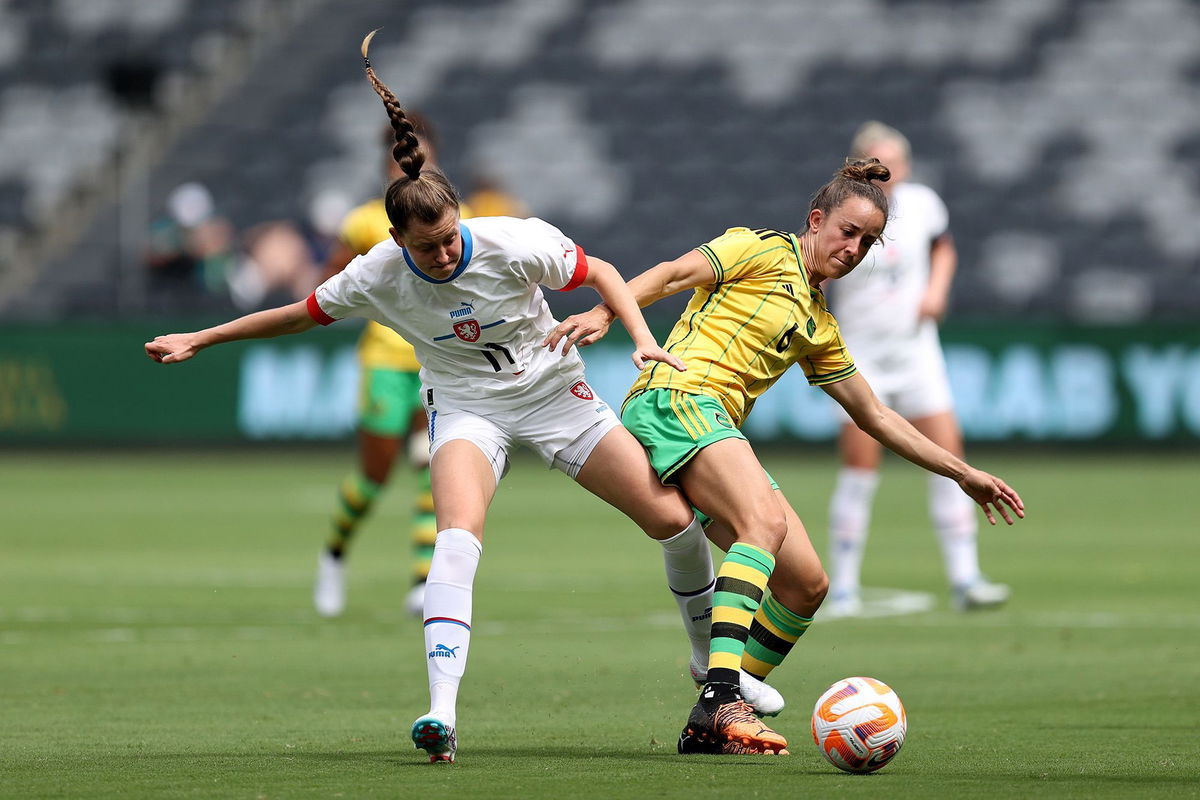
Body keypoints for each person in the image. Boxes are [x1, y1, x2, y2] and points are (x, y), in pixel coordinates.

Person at [145, 30, 781, 765]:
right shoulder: (375, 272)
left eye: (449, 238)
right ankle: (440, 713)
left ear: (460, 218)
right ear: (397, 240)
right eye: (427, 248)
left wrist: (637, 332)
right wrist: (201, 336)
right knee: (457, 535)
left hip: (554, 393)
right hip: (468, 407)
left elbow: (602, 270)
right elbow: (292, 314)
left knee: (674, 522)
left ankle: (710, 670)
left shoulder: (511, 239)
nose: (444, 254)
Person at [549, 158, 1024, 756]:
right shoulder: (759, 249)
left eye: (868, 242)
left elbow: (876, 416)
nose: (854, 249)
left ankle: (707, 720)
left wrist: (963, 472)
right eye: (848, 232)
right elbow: (672, 274)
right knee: (764, 525)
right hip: (678, 396)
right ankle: (724, 695)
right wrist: (601, 313)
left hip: (711, 422)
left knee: (806, 582)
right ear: (817, 220)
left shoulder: (819, 324)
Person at [824, 122, 1009, 616]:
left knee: (950, 460)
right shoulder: (849, 215)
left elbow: (943, 246)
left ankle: (965, 576)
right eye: (877, 165)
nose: (888, 175)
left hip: (916, 354)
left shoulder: (924, 205)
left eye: (894, 165)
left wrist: (937, 290)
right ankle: (841, 585)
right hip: (860, 356)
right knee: (860, 470)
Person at [312, 115, 470, 620]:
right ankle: (334, 555)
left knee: (432, 470)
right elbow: (328, 282)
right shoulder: (363, 223)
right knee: (374, 475)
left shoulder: (451, 223)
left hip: (438, 360)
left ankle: (422, 582)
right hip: (385, 361)